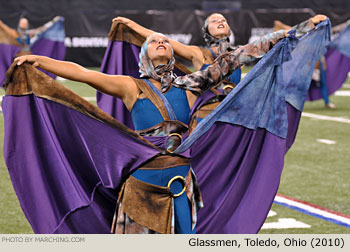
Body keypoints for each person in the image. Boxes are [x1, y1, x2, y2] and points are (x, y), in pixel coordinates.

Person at [12, 14, 326, 234]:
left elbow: (241, 55)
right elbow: (81, 72)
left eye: (165, 40)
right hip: (140, 190)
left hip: (182, 186)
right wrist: (38, 61)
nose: (161, 41)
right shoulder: (130, 86)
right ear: (143, 56)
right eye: (153, 41)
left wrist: (296, 30)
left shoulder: (191, 85)